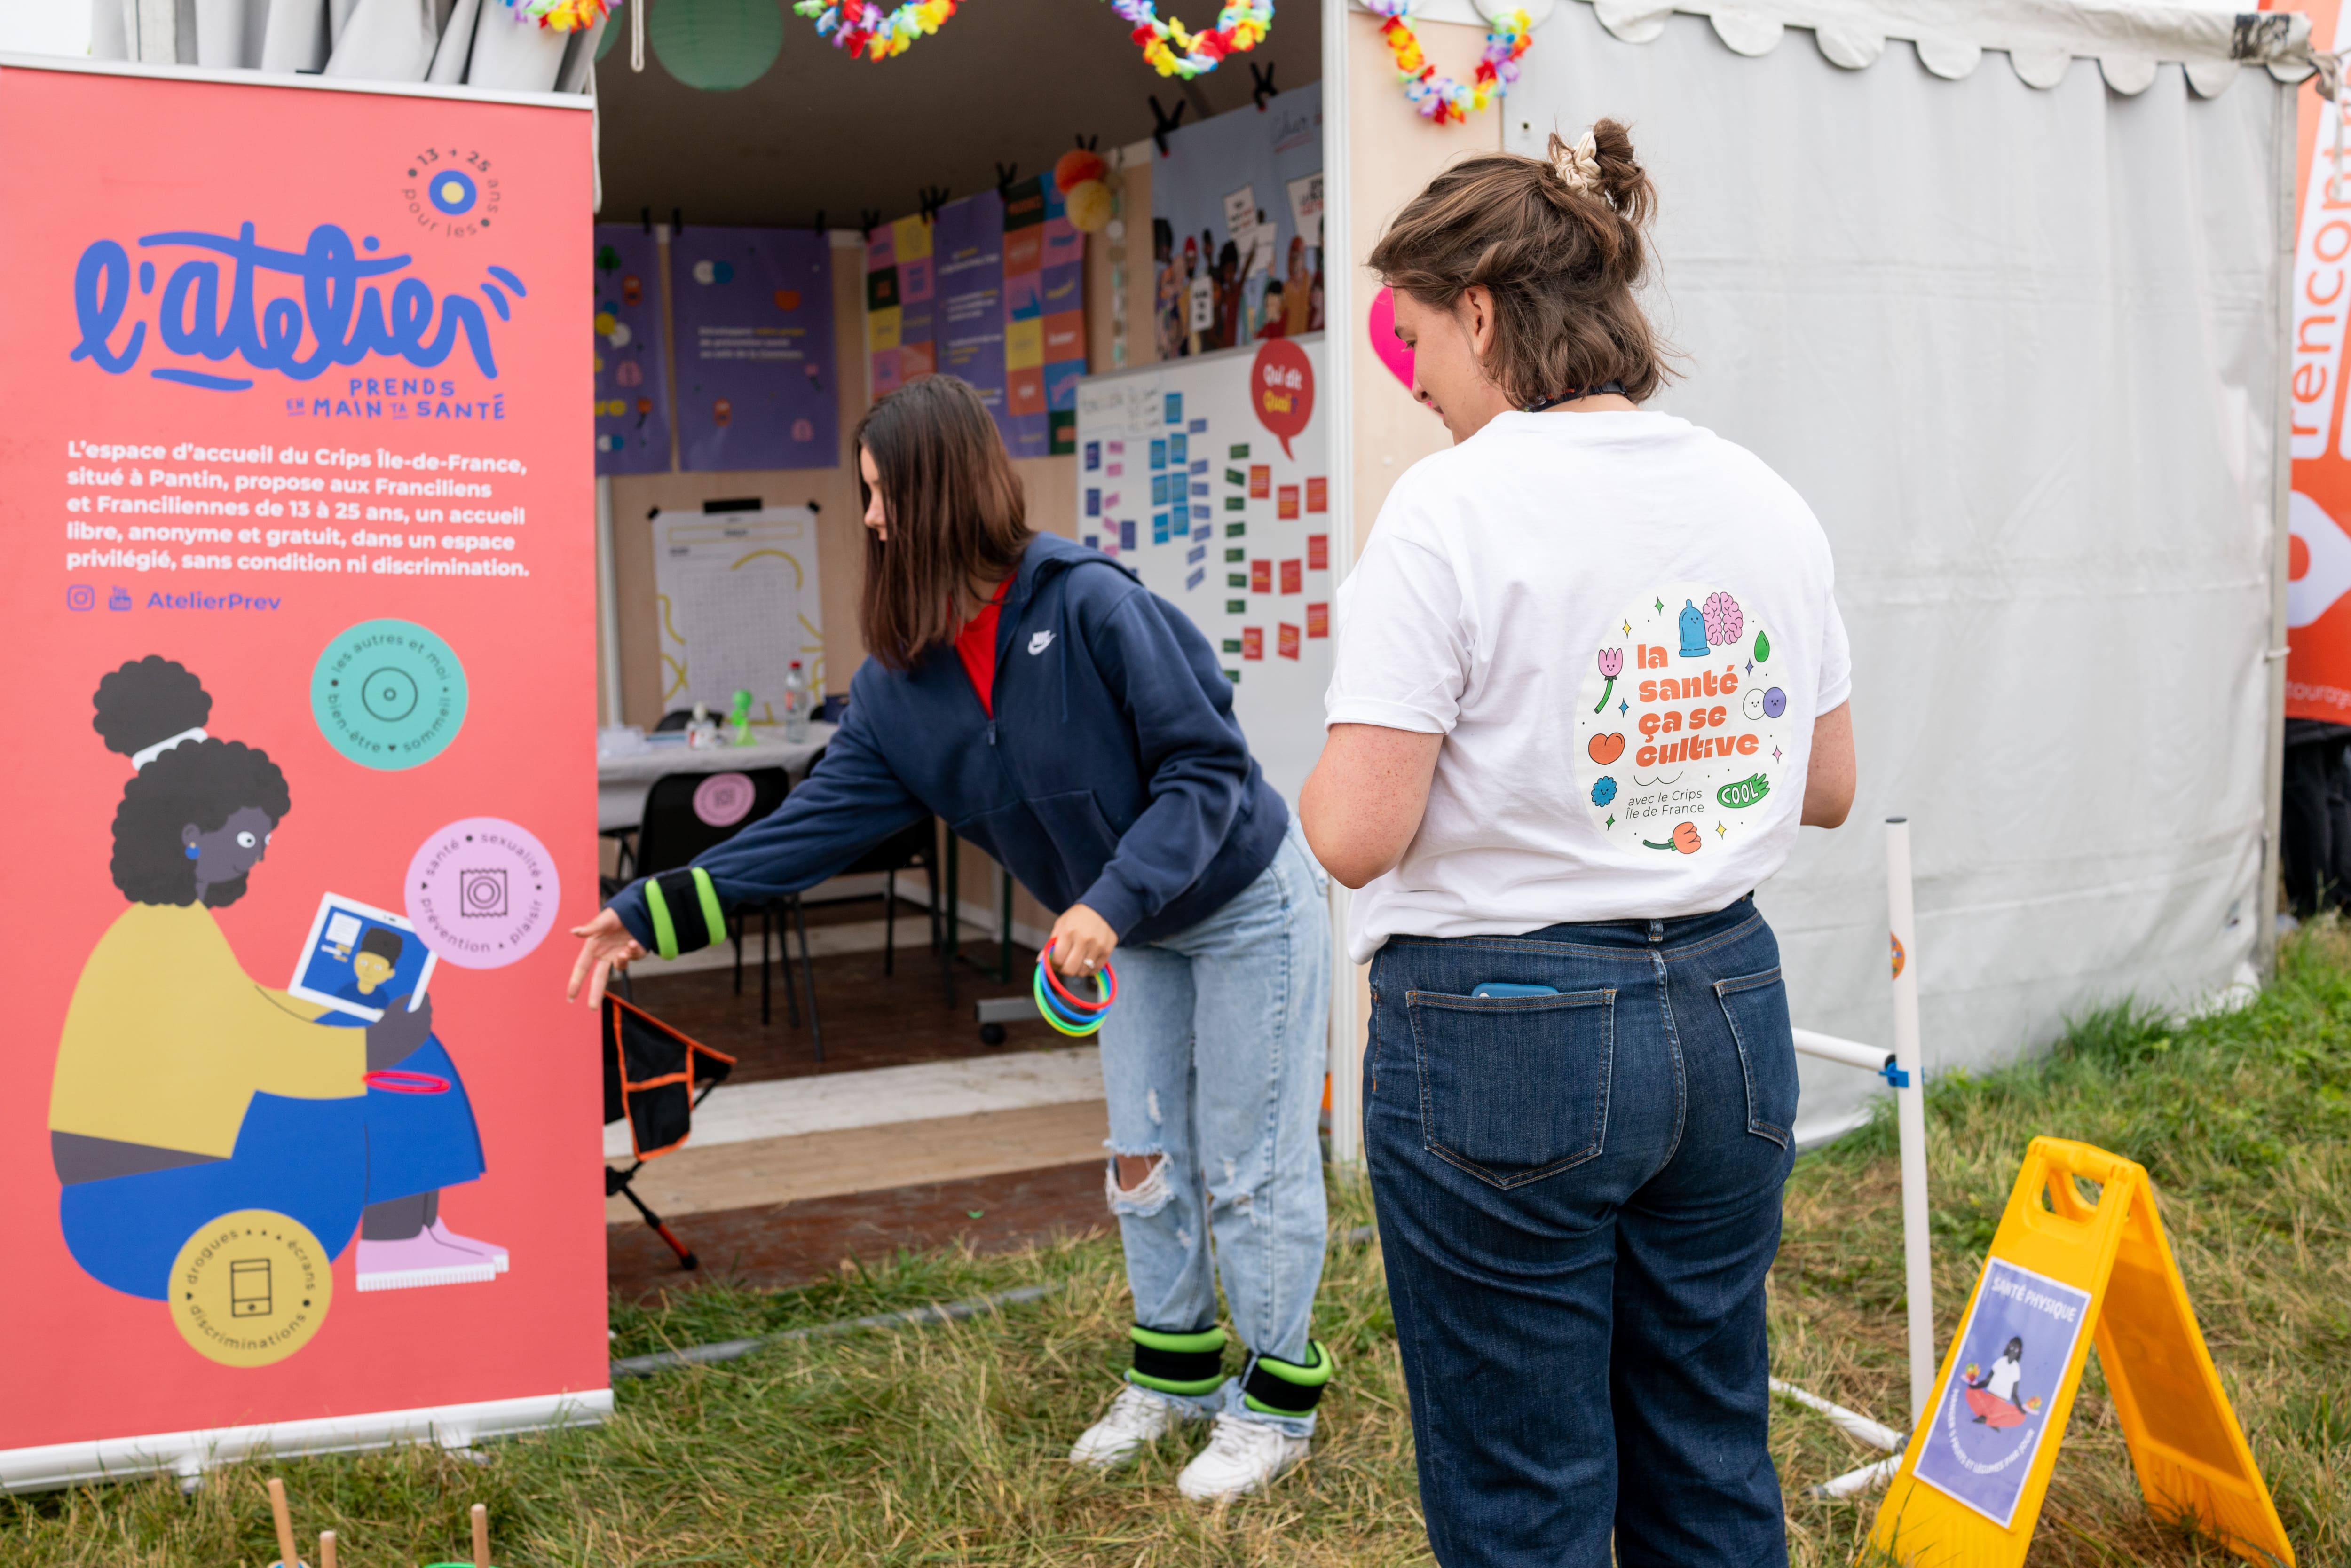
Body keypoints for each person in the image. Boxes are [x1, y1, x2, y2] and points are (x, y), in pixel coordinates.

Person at [569, 374, 1335, 1502]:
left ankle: (1273, 1408)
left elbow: (1206, 769)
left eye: (881, 495)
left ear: (936, 491)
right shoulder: (900, 682)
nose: (871, 521)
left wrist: (1109, 900)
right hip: (1124, 934)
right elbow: (814, 825)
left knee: (1250, 1165)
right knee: (1144, 1159)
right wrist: (651, 911)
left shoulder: (1089, 606)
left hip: (1238, 903)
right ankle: (1172, 1377)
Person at [1299, 122, 1856, 1568]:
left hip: (1508, 1034)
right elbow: (1829, 782)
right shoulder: (1762, 495)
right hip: (1731, 1010)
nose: (1412, 379)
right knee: (1710, 1450)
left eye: (1414, 336)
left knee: (1525, 1494)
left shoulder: (1450, 509)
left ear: (1481, 310)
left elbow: (1359, 837)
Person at [50, 657, 502, 1301]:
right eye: (246, 839)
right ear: (191, 838)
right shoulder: (167, 935)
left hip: (145, 1183)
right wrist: (375, 1043)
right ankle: (399, 1242)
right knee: (390, 1069)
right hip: (147, 1205)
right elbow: (257, 1048)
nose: (259, 854)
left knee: (382, 1043)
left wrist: (339, 1014)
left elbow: (244, 1014)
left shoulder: (161, 927)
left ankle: (412, 1234)